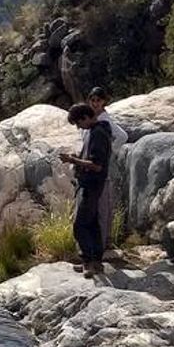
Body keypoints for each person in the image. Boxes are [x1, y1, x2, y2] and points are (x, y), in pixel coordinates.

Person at [62, 103, 112, 278]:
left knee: (80, 225)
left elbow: (97, 165)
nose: (78, 127)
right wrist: (77, 159)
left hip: (91, 184)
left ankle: (88, 262)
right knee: (92, 224)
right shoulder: (98, 131)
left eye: (78, 123)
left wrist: (72, 160)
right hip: (93, 184)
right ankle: (97, 262)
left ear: (85, 117)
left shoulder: (98, 134)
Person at [85, 87, 128, 248]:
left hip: (101, 168)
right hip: (92, 167)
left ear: (104, 102)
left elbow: (123, 136)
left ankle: (102, 244)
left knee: (102, 206)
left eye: (98, 100)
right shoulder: (91, 118)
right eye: (93, 100)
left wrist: (109, 150)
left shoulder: (104, 119)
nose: (95, 103)